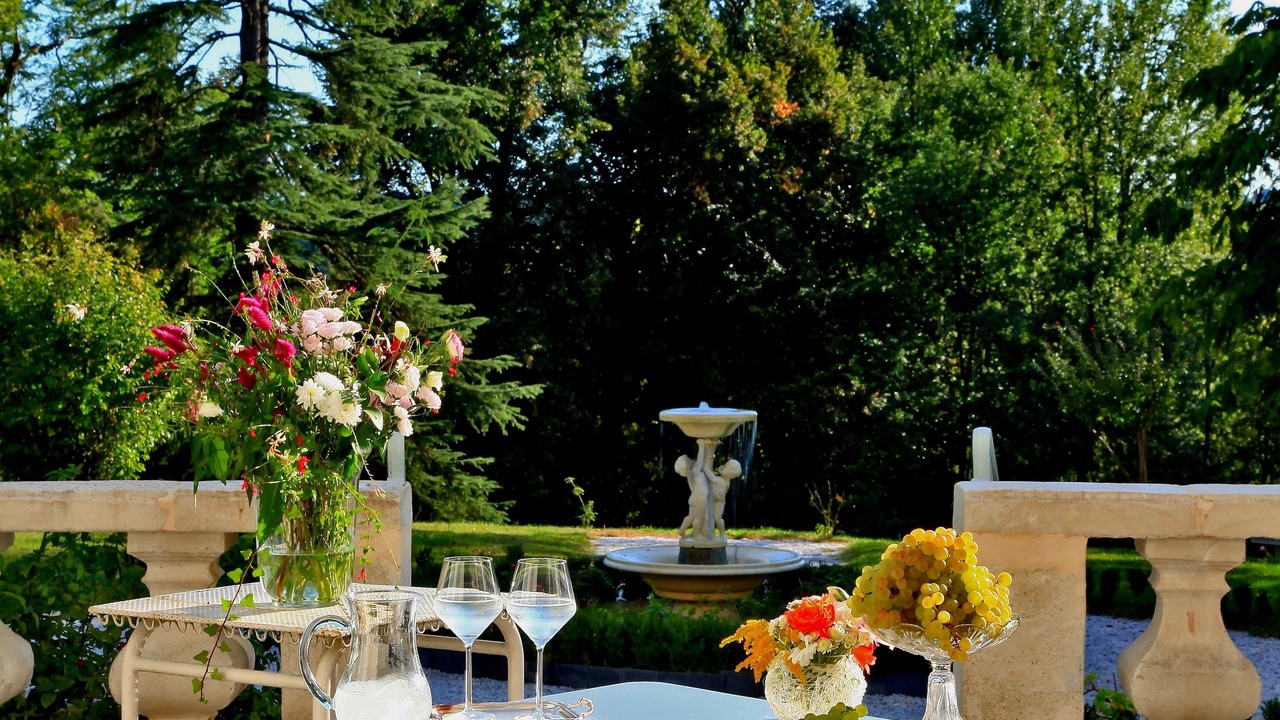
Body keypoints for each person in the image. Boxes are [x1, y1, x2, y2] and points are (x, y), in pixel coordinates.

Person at [675, 453, 708, 540]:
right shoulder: (695, 470)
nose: (691, 460)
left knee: (691, 516)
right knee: (698, 518)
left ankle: (682, 530)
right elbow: (700, 458)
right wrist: (701, 446)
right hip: (700, 498)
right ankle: (697, 535)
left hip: (694, 498)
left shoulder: (690, 474)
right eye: (688, 460)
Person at [710, 459, 741, 538]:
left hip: (719, 502)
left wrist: (708, 473)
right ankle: (711, 533)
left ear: (730, 473)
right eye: (726, 464)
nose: (723, 466)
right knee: (710, 517)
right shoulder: (721, 478)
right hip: (713, 500)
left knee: (717, 518)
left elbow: (714, 481)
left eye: (726, 466)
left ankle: (722, 533)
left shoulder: (724, 481)